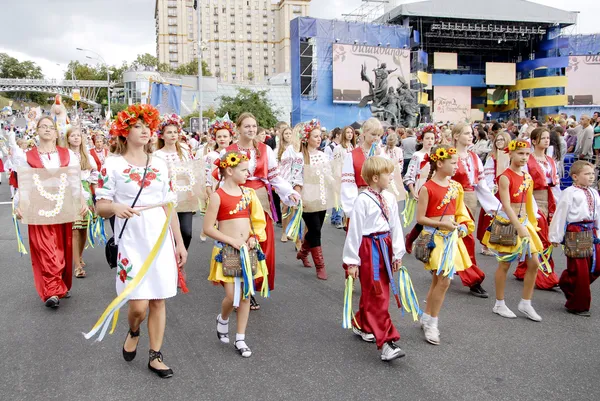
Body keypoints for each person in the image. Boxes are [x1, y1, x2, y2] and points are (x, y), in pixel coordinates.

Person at [95, 104, 187, 378]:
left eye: (148, 125)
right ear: (124, 131)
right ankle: (134, 329)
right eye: (137, 125)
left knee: (158, 299)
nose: (146, 130)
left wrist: (179, 243)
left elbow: (169, 205)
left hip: (159, 234)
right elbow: (100, 205)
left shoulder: (159, 164)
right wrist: (115, 208)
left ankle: (155, 355)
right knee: (138, 305)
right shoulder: (111, 164)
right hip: (131, 237)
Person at [224, 112, 300, 309]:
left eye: (254, 126)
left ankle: (251, 288)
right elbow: (222, 178)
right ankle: (238, 288)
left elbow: (275, 177)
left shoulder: (265, 150)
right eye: (247, 126)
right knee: (238, 242)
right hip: (236, 200)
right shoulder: (230, 150)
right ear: (238, 128)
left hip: (260, 201)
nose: (251, 129)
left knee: (259, 243)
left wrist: (289, 192)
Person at [13, 117, 87, 308]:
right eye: (43, 127)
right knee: (46, 249)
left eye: (51, 127)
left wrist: (82, 201)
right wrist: (19, 205)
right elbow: (25, 184)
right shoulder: (26, 156)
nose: (47, 130)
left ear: (56, 132)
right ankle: (52, 291)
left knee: (62, 247)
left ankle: (60, 283)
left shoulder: (68, 154)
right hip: (38, 208)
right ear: (37, 131)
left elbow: (74, 182)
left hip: (62, 207)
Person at [204, 151, 267, 357]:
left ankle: (240, 338)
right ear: (229, 170)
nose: (247, 173)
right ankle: (223, 319)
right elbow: (208, 228)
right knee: (232, 296)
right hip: (228, 250)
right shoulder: (217, 196)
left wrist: (253, 237)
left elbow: (258, 221)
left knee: (246, 294)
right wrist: (230, 240)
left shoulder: (249, 194)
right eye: (243, 170)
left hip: (247, 249)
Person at [343, 156, 406, 361]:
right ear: (376, 177)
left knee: (376, 290)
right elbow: (355, 231)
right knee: (378, 293)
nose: (391, 177)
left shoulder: (389, 198)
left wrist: (397, 252)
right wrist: (352, 261)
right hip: (370, 249)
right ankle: (387, 342)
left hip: (385, 246)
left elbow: (395, 225)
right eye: (388, 174)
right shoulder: (362, 200)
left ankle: (362, 323)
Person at [416, 145, 474, 345]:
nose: (457, 166)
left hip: (451, 239)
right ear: (439, 163)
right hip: (436, 239)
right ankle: (433, 322)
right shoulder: (427, 188)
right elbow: (421, 218)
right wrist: (442, 224)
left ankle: (427, 317)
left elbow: (461, 212)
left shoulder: (456, 187)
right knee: (445, 281)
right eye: (453, 163)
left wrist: (464, 225)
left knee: (437, 281)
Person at [482, 139, 543, 322]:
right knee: (505, 263)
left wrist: (532, 223)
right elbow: (507, 205)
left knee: (534, 263)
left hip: (524, 223)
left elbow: (529, 202)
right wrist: (519, 226)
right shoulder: (505, 177)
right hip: (508, 224)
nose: (524, 157)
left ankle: (526, 302)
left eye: (526, 154)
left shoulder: (527, 177)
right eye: (520, 153)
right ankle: (499, 303)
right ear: (511, 154)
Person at [549, 161, 600, 316]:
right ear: (575, 177)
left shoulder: (594, 192)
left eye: (592, 173)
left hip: (592, 231)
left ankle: (567, 281)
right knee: (581, 270)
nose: (591, 177)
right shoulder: (569, 192)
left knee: (596, 266)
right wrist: (555, 236)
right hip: (576, 230)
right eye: (587, 174)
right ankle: (578, 304)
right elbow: (561, 214)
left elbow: (598, 214)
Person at [513, 128, 560, 289]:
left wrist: (558, 204)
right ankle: (545, 275)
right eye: (543, 138)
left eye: (548, 138)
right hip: (532, 198)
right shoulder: (529, 159)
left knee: (541, 236)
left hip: (550, 199)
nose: (547, 141)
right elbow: (524, 182)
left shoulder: (550, 160)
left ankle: (523, 269)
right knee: (541, 238)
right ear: (534, 141)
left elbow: (556, 184)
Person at [294, 120, 334, 280]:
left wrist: (336, 182)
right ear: (307, 138)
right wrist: (298, 197)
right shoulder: (299, 157)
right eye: (315, 136)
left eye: (320, 136)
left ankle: (303, 252)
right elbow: (296, 178)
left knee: (315, 229)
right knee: (315, 229)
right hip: (307, 198)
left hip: (321, 196)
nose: (319, 139)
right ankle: (320, 266)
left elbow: (328, 175)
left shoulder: (323, 155)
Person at [66, 125, 98, 278]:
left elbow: (94, 176)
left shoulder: (87, 156)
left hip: (85, 191)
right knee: (74, 228)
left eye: (78, 135)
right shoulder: (64, 155)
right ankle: (77, 266)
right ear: (67, 138)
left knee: (84, 228)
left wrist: (96, 196)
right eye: (73, 136)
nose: (76, 138)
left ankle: (78, 256)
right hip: (70, 193)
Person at [341, 118, 383, 216]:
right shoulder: (352, 155)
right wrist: (351, 209)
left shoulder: (382, 154)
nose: (376, 138)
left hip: (379, 200)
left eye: (379, 135)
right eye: (373, 134)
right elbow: (348, 184)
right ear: (364, 133)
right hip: (360, 199)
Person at [478, 132, 511, 256]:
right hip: (496, 190)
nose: (499, 142)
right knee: (491, 217)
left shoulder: (511, 156)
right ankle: (485, 245)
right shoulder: (492, 157)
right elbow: (488, 174)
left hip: (508, 189)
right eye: (497, 140)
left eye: (502, 139)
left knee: (508, 217)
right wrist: (492, 187)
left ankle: (506, 243)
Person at [277, 124, 302, 243]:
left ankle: (291, 231)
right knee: (286, 206)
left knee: (295, 206)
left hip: (296, 180)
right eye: (286, 134)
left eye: (290, 134)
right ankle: (283, 232)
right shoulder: (282, 150)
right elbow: (281, 167)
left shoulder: (300, 148)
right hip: (285, 180)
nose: (289, 136)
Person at [324, 127, 343, 228]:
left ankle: (337, 217)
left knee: (339, 195)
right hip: (333, 174)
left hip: (341, 173)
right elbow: (326, 162)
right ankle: (336, 217)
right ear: (337, 135)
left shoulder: (342, 147)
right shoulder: (329, 148)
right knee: (335, 195)